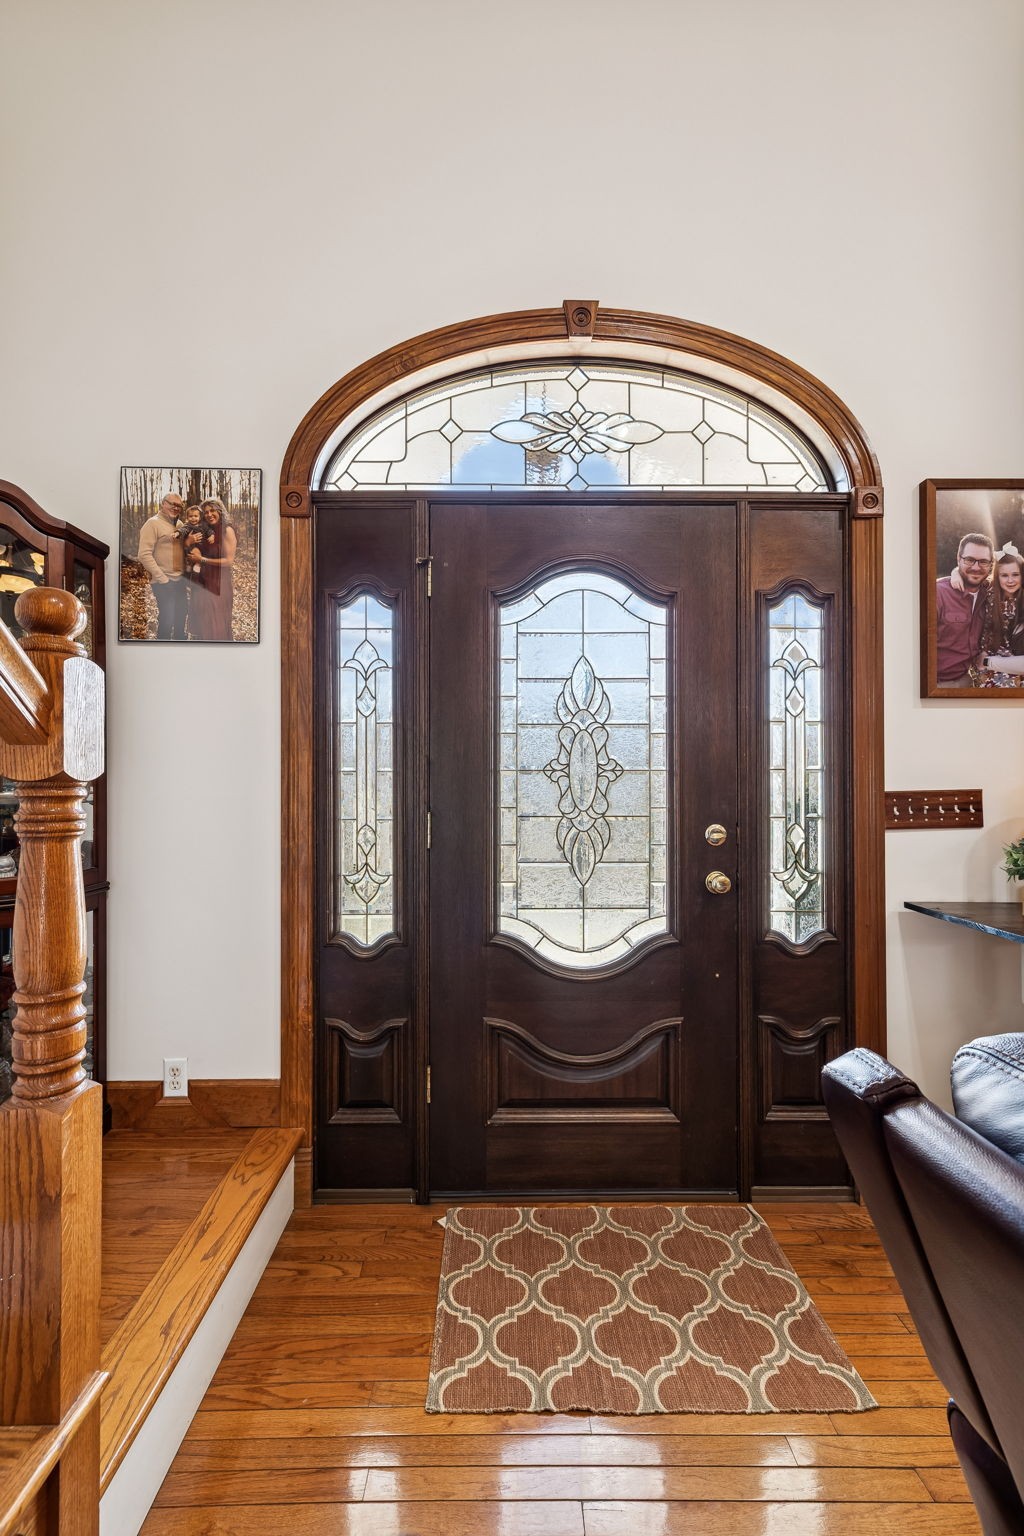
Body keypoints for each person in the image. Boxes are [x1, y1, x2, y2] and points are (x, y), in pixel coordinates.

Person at [934, 531, 993, 685]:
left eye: (983, 561)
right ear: (958, 559)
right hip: (934, 682)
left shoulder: (989, 594)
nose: (976, 567)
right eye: (969, 560)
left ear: (991, 564)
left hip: (965, 680)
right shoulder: (937, 593)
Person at [136, 493, 186, 639]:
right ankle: (162, 650)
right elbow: (144, 554)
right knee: (167, 619)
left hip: (180, 580)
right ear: (163, 503)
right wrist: (162, 578)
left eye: (179, 506)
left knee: (181, 617)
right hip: (163, 581)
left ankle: (181, 652)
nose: (175, 508)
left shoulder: (180, 525)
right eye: (172, 504)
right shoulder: (152, 523)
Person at [187, 497, 237, 641]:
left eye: (212, 510)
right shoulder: (203, 531)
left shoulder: (227, 530)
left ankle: (220, 657)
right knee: (202, 622)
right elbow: (191, 550)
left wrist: (202, 560)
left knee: (216, 624)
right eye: (206, 512)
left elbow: (228, 561)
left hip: (219, 583)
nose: (209, 514)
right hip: (201, 582)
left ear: (220, 511)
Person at [976, 547, 1024, 685]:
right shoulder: (988, 592)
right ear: (997, 576)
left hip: (1017, 658)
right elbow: (965, 578)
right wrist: (955, 574)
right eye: (1004, 575)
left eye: (1016, 574)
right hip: (990, 657)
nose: (1010, 580)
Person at [178, 505, 205, 640]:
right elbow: (182, 531)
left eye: (196, 516)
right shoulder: (187, 526)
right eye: (191, 516)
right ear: (187, 517)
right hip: (190, 550)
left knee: (196, 562)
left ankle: (196, 568)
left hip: (201, 551)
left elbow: (209, 532)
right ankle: (189, 577)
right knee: (189, 564)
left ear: (199, 517)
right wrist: (178, 534)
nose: (193, 518)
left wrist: (211, 536)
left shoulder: (203, 526)